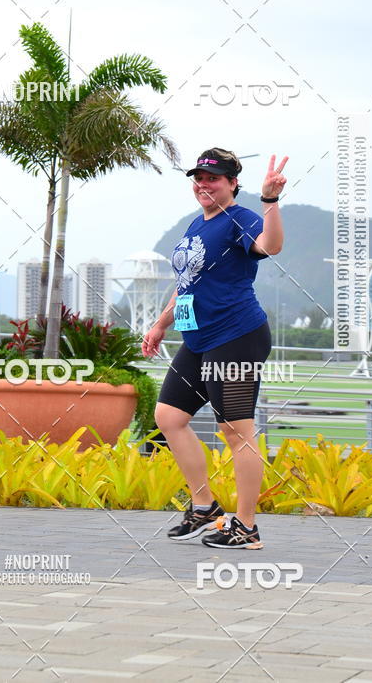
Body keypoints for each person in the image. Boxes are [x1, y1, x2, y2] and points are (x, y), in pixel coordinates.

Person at [141, 147, 287, 549]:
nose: (204, 185)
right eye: (199, 179)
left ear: (232, 183)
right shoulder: (196, 224)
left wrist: (270, 200)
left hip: (237, 336)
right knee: (169, 417)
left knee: (235, 430)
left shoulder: (239, 219)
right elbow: (188, 283)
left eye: (213, 179)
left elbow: (270, 246)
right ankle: (205, 507)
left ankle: (247, 526)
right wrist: (160, 324)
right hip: (199, 338)